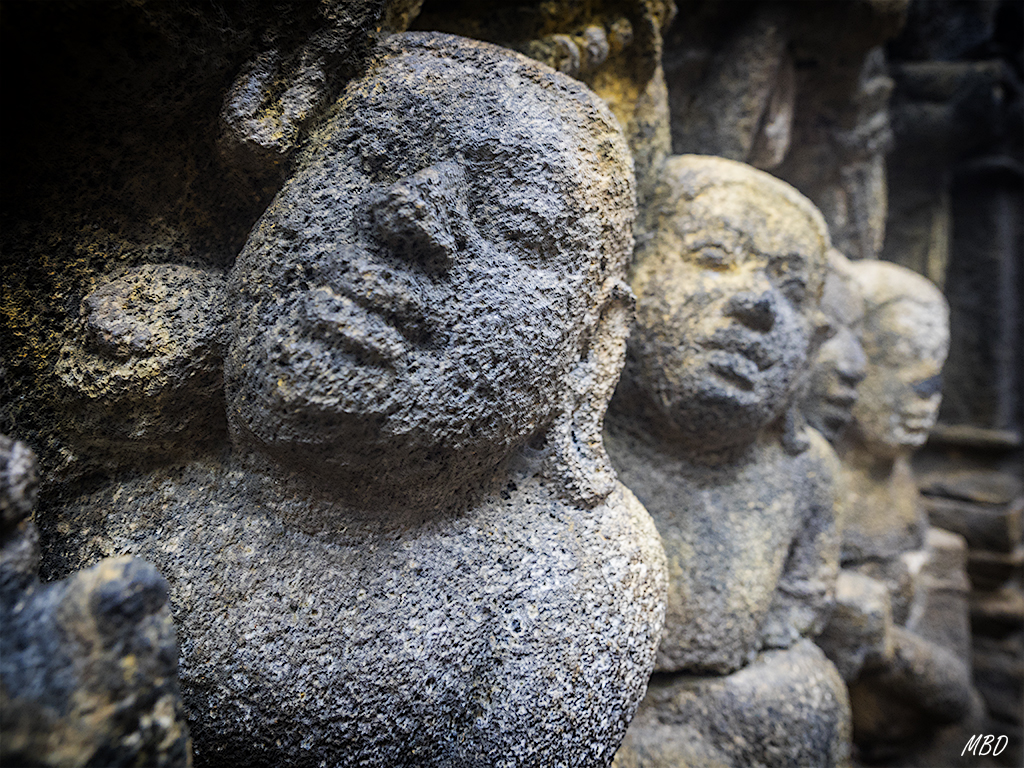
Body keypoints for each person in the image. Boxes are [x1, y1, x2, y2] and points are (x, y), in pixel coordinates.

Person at [51, 33, 666, 768]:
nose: (413, 211)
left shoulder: (568, 580)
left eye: (519, 222)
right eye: (370, 160)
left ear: (591, 349)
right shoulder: (112, 453)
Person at [606, 155, 849, 768]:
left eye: (791, 290)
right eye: (714, 259)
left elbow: (802, 601)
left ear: (813, 342)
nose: (758, 304)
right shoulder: (562, 442)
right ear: (626, 272)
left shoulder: (805, 472)